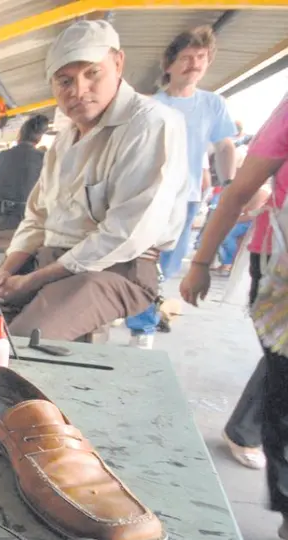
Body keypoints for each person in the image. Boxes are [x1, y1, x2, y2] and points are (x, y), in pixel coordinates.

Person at [0, 19, 187, 342]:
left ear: (118, 63)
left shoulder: (150, 125)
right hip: (49, 261)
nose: (78, 91)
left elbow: (124, 235)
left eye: (92, 73)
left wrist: (34, 280)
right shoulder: (64, 141)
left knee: (23, 342)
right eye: (65, 81)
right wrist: (6, 271)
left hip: (116, 269)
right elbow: (37, 217)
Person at [181, 92, 288, 540]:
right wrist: (201, 262)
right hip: (282, 266)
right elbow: (239, 189)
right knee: (283, 372)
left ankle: (246, 431)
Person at [125, 26, 238, 349]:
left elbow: (225, 147)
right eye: (187, 58)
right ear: (169, 64)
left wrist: (229, 186)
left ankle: (143, 307)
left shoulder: (213, 104)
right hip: (151, 197)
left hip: (187, 199)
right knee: (144, 262)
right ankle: (142, 326)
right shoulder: (149, 105)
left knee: (169, 265)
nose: (194, 64)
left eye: (201, 58)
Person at [0, 114, 49, 231]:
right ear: (39, 139)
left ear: (19, 135)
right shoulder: (44, 158)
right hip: (24, 221)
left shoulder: (2, 156)